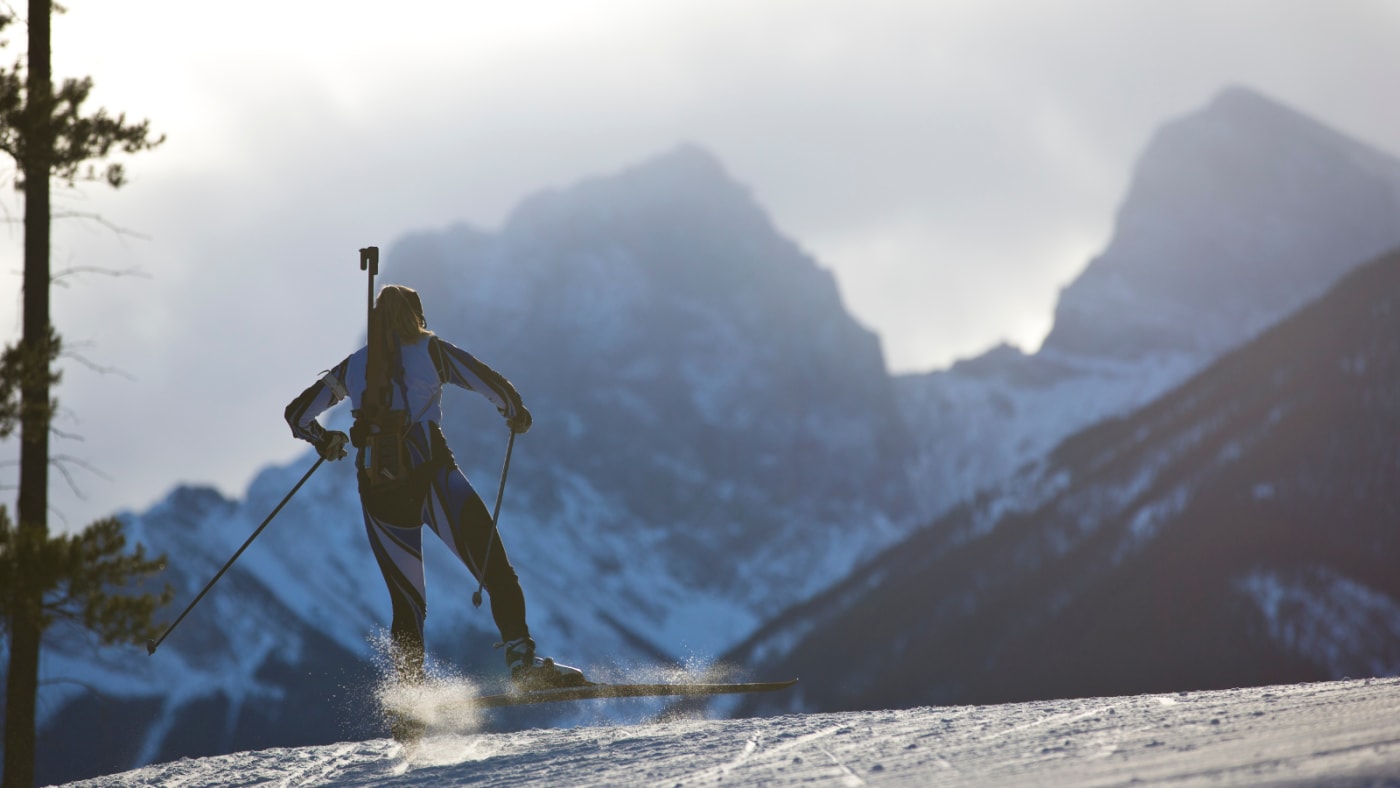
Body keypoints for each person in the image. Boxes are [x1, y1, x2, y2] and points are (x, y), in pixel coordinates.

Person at [284, 284, 585, 692]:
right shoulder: (431, 350)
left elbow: (298, 414)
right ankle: (522, 663)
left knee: (407, 604)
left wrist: (327, 441)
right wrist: (514, 412)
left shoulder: (354, 366)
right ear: (417, 316)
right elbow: (490, 382)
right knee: (495, 570)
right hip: (432, 477)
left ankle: (409, 700)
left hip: (378, 490)